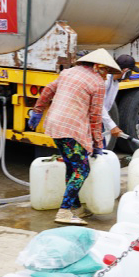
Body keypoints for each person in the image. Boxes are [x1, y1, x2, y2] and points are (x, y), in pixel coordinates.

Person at [28, 49, 121, 225]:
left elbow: (48, 90)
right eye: (105, 71)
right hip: (71, 129)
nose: (106, 76)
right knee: (82, 170)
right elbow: (95, 116)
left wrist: (37, 110)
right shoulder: (97, 84)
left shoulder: (67, 72)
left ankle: (76, 207)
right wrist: (98, 143)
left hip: (55, 125)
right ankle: (64, 211)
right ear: (97, 66)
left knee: (72, 166)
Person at [103, 55, 139, 139]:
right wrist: (112, 126)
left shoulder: (114, 81)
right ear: (125, 70)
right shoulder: (105, 81)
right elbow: (99, 106)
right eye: (130, 71)